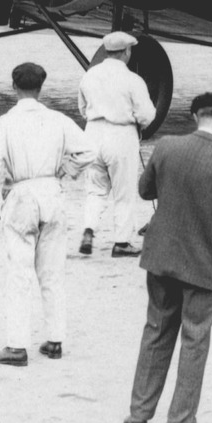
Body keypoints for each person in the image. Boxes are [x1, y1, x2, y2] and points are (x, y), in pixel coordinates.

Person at [124, 93, 212, 423]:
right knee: (195, 339)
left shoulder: (166, 147)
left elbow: (145, 189)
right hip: (203, 266)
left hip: (161, 257)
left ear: (195, 116)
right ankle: (180, 422)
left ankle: (138, 414)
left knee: (156, 330)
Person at [0, 62, 96, 366]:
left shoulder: (5, 122)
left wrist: (4, 183)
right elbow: (88, 151)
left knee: (20, 272)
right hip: (52, 192)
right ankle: (55, 340)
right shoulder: (57, 119)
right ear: (41, 88)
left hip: (22, 192)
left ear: (14, 87)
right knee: (52, 271)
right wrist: (66, 171)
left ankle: (17, 346)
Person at [78, 32, 157, 257]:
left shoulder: (90, 76)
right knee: (124, 192)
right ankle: (121, 243)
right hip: (121, 134)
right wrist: (139, 123)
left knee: (95, 190)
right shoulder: (133, 80)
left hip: (92, 133)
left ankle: (88, 230)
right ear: (126, 52)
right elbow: (147, 114)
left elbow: (82, 109)